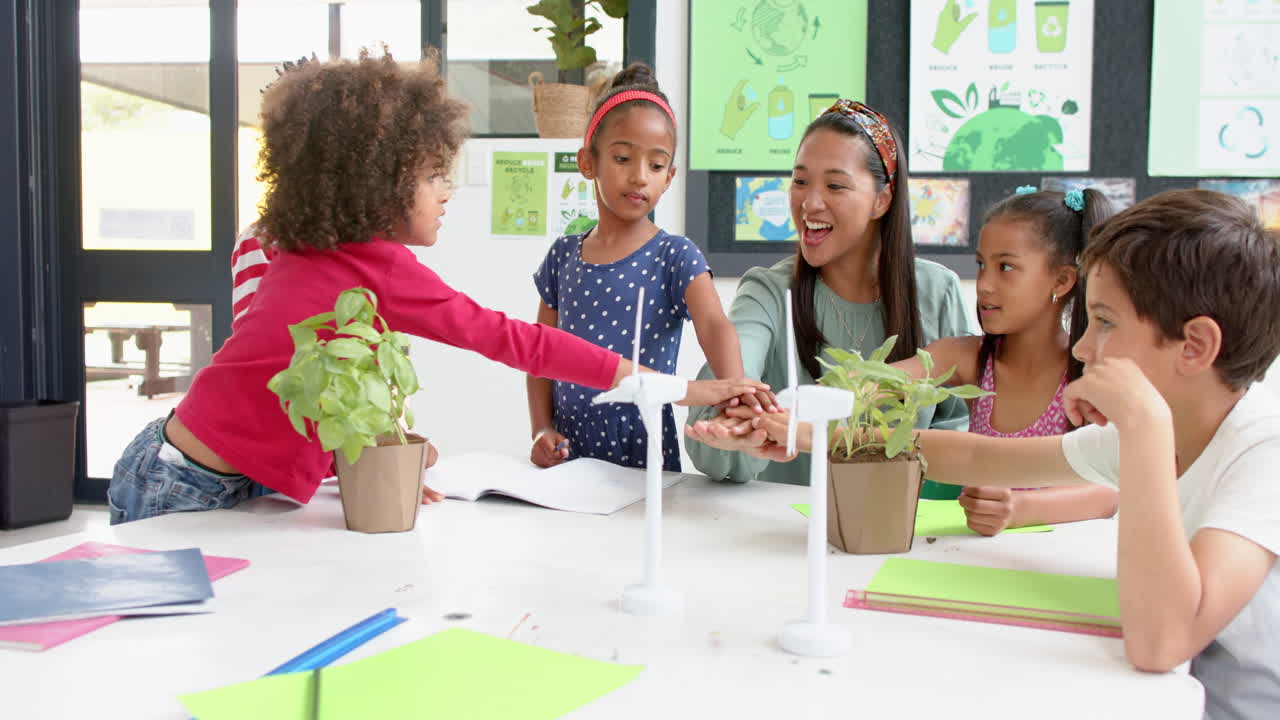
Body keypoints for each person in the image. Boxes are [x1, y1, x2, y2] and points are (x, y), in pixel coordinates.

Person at [107, 50, 763, 525]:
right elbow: (515, 342)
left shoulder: (344, 261)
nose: (447, 192)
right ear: (378, 183)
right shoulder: (340, 261)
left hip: (215, 475)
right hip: (179, 481)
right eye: (430, 177)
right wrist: (689, 389)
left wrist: (375, 458)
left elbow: (316, 388)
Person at [758, 190, 1280, 718]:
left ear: (1194, 346)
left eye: (1105, 322)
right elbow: (977, 458)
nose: (1083, 348)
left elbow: (1161, 644)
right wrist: (804, 433)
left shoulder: (1262, 448)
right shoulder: (1156, 431)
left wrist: (1144, 426)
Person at [683, 99, 974, 488]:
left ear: (881, 200)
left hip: (899, 530)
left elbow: (958, 428)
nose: (810, 202)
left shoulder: (937, 292)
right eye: (800, 181)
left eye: (835, 185)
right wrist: (738, 424)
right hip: (788, 534)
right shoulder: (768, 291)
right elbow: (730, 385)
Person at [527, 63, 750, 472]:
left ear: (669, 178)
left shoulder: (676, 257)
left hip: (643, 450)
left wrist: (735, 394)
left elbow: (715, 325)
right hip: (567, 454)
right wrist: (541, 429)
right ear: (587, 162)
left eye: (656, 165)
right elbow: (541, 353)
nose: (639, 176)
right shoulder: (562, 257)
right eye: (623, 158)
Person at [887, 186, 1118, 535]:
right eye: (981, 265)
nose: (984, 285)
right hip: (970, 558)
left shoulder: (1092, 376)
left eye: (1005, 267)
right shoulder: (967, 357)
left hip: (1055, 566)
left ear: (1062, 279)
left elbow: (1111, 491)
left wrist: (1020, 509)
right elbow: (875, 380)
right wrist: (792, 406)